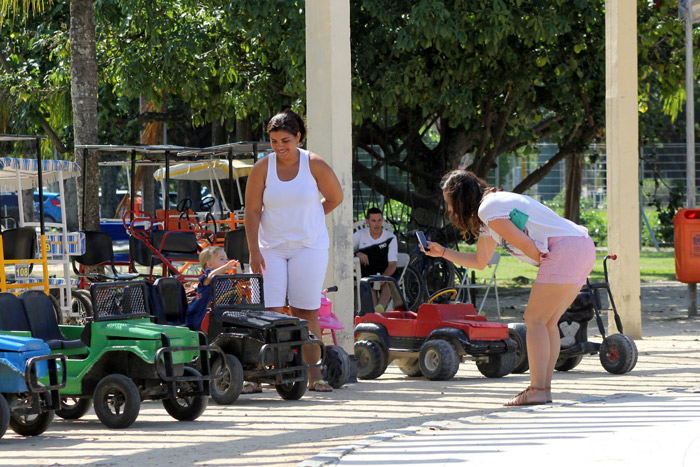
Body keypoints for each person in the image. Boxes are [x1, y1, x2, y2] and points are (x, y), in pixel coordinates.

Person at [422, 170, 595, 406]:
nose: (450, 211)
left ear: (461, 199)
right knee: (547, 322)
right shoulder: (491, 213)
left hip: (565, 249)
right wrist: (442, 252)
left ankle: (537, 389)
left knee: (533, 319)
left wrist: (547, 262)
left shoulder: (489, 208)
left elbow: (527, 244)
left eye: (450, 204)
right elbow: (480, 262)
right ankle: (543, 388)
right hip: (582, 246)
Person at [245, 109, 343, 393]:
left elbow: (335, 197)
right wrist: (253, 250)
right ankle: (265, 373)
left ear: (299, 137)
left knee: (306, 310)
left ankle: (315, 376)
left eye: (285, 140)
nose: (279, 147)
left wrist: (312, 215)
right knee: (270, 311)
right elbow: (251, 211)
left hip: (308, 247)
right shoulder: (262, 168)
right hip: (270, 249)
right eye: (274, 141)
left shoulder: (314, 164)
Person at [353, 207, 398, 311]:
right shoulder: (359, 235)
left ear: (382, 220)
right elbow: (346, 249)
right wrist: (358, 253)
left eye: (379, 220)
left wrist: (384, 277)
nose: (377, 224)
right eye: (373, 221)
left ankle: (379, 310)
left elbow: (393, 264)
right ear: (367, 221)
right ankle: (378, 312)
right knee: (370, 284)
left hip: (385, 269)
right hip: (367, 272)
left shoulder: (391, 238)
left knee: (388, 282)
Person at [186, 246, 239, 332]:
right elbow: (211, 277)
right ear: (210, 264)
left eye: (226, 259)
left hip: (219, 314)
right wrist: (225, 267)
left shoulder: (225, 279)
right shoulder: (207, 278)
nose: (226, 262)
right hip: (201, 316)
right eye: (222, 259)